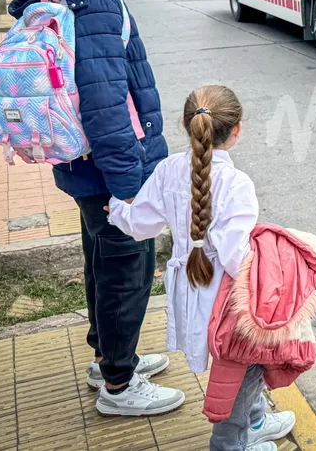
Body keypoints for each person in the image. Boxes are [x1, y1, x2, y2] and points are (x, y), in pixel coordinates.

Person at [7, 0, 180, 416]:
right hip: (111, 167)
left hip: (84, 164)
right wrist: (130, 186)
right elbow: (105, 99)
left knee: (102, 262)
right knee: (128, 266)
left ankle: (108, 356)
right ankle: (120, 386)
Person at [107, 86, 297, 451]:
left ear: (184, 124)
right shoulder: (237, 183)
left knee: (241, 367)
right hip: (226, 297)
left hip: (188, 286)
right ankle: (231, 443)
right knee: (242, 367)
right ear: (237, 130)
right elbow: (234, 255)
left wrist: (117, 209)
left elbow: (141, 224)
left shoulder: (168, 170)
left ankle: (255, 421)